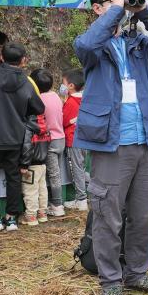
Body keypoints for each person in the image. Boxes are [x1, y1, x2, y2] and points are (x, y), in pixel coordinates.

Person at [74, 0, 148, 295]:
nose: (123, 4)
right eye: (114, 0)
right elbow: (87, 44)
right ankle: (111, 281)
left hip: (146, 142)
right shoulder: (93, 46)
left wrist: (143, 10)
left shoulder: (141, 45)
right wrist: (117, 8)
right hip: (110, 144)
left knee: (145, 215)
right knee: (108, 216)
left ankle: (136, 273)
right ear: (98, 8)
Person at [0, 42, 45, 233]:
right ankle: (11, 218)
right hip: (16, 137)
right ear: (24, 60)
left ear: (1, 58)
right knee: (14, 177)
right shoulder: (27, 82)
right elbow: (39, 108)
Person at [31, 68, 67, 217]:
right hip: (61, 138)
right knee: (56, 172)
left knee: (53, 174)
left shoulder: (39, 100)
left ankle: (57, 205)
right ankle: (55, 202)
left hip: (50, 141)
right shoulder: (55, 96)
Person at [19, 94, 51, 226]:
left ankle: (31, 216)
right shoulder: (44, 124)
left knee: (30, 190)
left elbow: (27, 146)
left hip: (31, 165)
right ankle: (42, 213)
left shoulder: (28, 126)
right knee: (42, 188)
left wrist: (24, 164)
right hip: (42, 163)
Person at [61, 68, 89, 211]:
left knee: (77, 169)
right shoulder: (84, 98)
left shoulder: (71, 102)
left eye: (64, 83)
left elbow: (64, 120)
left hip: (73, 139)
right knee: (81, 167)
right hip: (84, 138)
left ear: (71, 86)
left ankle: (81, 199)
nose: (62, 86)